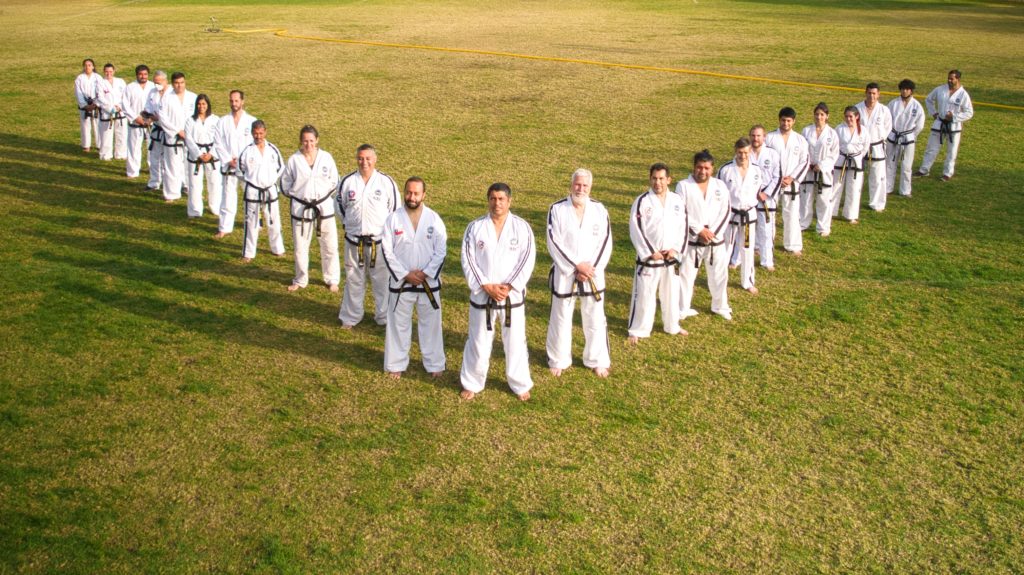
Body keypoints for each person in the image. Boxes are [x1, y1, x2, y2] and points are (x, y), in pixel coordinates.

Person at [460, 183, 536, 401]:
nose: (497, 203)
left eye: (501, 199)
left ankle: (519, 383)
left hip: (511, 296)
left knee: (515, 341)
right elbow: (468, 259)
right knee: (478, 339)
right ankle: (472, 382)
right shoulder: (475, 227)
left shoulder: (522, 228)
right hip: (483, 294)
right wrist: (485, 285)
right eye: (493, 198)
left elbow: (527, 259)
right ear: (488, 200)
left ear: (509, 201)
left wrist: (509, 286)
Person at [545, 168, 612, 378]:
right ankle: (559, 358)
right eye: (577, 184)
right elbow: (553, 241)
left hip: (593, 273)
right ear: (571, 185)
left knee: (595, 317)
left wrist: (590, 269)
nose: (580, 188)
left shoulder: (600, 210)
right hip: (566, 274)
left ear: (590, 187)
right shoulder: (556, 209)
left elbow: (605, 242)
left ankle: (597, 359)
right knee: (561, 317)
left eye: (584, 185)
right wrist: (576, 266)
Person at [381, 177, 447, 379]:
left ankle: (434, 363)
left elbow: (441, 250)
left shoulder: (434, 219)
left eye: (416, 193)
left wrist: (426, 272)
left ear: (424, 195)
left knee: (431, 324)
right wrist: (405, 274)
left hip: (428, 282)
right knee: (398, 324)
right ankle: (395, 363)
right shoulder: (393, 219)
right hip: (402, 282)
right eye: (409, 192)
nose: (412, 197)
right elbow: (386, 250)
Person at [336, 144, 399, 328]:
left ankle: (384, 317)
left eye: (368, 158)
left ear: (375, 159)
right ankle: (351, 316)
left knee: (381, 281)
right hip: (354, 240)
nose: (364, 162)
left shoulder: (386, 182)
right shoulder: (347, 182)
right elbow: (340, 207)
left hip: (378, 242)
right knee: (353, 279)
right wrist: (350, 225)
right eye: (361, 158)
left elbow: (394, 211)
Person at [626, 163, 687, 343]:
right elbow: (636, 229)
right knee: (644, 294)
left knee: (671, 293)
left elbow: (683, 228)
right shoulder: (642, 201)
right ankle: (638, 329)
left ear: (669, 180)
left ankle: (672, 325)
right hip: (650, 259)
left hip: (670, 257)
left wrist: (676, 250)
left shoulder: (677, 201)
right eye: (654, 178)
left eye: (661, 178)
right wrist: (651, 252)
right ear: (650, 179)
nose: (657, 182)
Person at [280, 125, 341, 292]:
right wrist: (298, 195)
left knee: (329, 245)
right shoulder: (294, 160)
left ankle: (332, 278)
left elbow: (335, 181)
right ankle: (300, 279)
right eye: (305, 141)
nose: (308, 144)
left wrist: (323, 195)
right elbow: (285, 185)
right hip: (301, 208)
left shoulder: (326, 158)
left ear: (317, 140)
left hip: (324, 207)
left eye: (312, 141)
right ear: (301, 141)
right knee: (300, 246)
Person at [678, 150, 733, 321]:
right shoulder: (684, 186)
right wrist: (699, 230)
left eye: (707, 168)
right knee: (686, 275)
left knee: (719, 274)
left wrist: (712, 233)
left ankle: (720, 306)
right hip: (693, 239)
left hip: (715, 239)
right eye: (699, 167)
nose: (703, 171)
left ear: (713, 168)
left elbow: (726, 211)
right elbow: (682, 212)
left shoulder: (720, 186)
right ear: (694, 167)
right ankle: (682, 307)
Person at [719, 137, 763, 295]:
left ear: (750, 151)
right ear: (735, 151)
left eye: (745, 152)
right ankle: (719, 279)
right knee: (726, 248)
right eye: (739, 152)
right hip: (730, 215)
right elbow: (719, 194)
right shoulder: (725, 170)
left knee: (747, 248)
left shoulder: (757, 170)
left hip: (748, 216)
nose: (742, 155)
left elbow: (757, 191)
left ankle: (748, 281)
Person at [237, 120, 285, 262]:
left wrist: (272, 181)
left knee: (274, 221)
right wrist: (249, 183)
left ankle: (278, 248)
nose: (258, 136)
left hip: (270, 190)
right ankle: (248, 252)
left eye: (261, 133)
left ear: (265, 132)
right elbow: (240, 171)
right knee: (251, 222)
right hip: (253, 190)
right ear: (252, 133)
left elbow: (281, 167)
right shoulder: (247, 151)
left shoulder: (272, 149)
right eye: (256, 133)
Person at [213, 90, 257, 238]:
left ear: (242, 101)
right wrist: (228, 160)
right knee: (227, 196)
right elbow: (218, 143)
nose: (234, 104)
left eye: (237, 101)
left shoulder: (251, 121)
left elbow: (255, 144)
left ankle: (252, 223)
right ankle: (225, 227)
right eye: (231, 101)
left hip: (247, 166)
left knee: (250, 195)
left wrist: (244, 160)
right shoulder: (222, 121)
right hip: (229, 165)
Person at [766, 107, 809, 257]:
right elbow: (765, 160)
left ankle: (793, 244)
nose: (786, 123)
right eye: (783, 120)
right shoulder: (769, 138)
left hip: (791, 182)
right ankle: (764, 244)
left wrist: (791, 178)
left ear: (794, 121)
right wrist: (775, 177)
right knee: (768, 213)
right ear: (779, 120)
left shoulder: (800, 140)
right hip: (772, 182)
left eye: (789, 120)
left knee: (792, 213)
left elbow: (804, 161)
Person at [917, 70, 974, 181]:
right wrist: (933, 112)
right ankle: (924, 170)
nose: (949, 80)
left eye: (952, 79)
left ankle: (947, 173)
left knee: (951, 151)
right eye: (948, 78)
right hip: (939, 123)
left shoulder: (963, 94)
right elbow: (928, 99)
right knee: (931, 148)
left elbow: (969, 112)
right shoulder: (940, 89)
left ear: (958, 79)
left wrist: (954, 116)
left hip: (954, 127)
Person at [800, 102, 840, 236]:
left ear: (827, 116)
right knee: (806, 197)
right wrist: (808, 163)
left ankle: (823, 227)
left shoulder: (832, 134)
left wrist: (821, 165)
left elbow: (834, 154)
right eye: (817, 114)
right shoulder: (806, 131)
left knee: (823, 199)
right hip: (808, 170)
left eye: (822, 114)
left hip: (824, 172)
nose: (819, 117)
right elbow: (802, 150)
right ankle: (803, 223)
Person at [157, 72, 196, 203]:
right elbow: (163, 118)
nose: (180, 85)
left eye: (182, 82)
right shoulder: (166, 98)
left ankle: (191, 189)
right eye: (177, 83)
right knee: (172, 165)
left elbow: (198, 116)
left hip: (190, 136)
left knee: (190, 164)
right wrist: (177, 131)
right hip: (172, 136)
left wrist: (189, 132)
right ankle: (171, 193)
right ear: (172, 84)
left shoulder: (193, 97)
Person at [856, 82, 894, 212]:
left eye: (874, 93)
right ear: (865, 93)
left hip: (877, 146)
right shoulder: (857, 109)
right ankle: (855, 202)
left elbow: (888, 127)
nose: (871, 96)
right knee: (857, 176)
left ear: (878, 95)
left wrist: (880, 138)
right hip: (860, 147)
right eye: (869, 93)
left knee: (877, 177)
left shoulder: (884, 110)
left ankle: (877, 203)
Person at [886, 79, 926, 197]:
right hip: (893, 136)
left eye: (907, 89)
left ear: (911, 91)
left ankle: (905, 190)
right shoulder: (893, 103)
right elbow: (887, 120)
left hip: (908, 139)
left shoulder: (917, 106)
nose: (904, 91)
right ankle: (888, 188)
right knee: (890, 163)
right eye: (903, 89)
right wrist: (889, 134)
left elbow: (920, 125)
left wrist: (911, 136)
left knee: (906, 166)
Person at [748, 124, 781, 271]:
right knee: (747, 229)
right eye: (753, 136)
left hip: (767, 198)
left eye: (758, 136)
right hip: (749, 197)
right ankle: (744, 258)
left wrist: (766, 193)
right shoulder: (745, 153)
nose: (756, 138)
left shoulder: (772, 154)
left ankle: (767, 260)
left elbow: (778, 177)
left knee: (766, 230)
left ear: (764, 137)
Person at [184, 94, 222, 218]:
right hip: (196, 155)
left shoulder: (216, 119)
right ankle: (195, 210)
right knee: (195, 183)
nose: (201, 106)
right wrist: (199, 154)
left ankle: (215, 207)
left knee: (215, 182)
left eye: (204, 104)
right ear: (196, 106)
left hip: (212, 154)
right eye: (199, 104)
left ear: (208, 105)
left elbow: (220, 138)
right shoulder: (190, 120)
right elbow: (188, 139)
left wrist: (211, 153)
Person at [834, 106, 869, 226]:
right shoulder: (839, 128)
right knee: (836, 186)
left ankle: (851, 215)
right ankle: (831, 211)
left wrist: (857, 157)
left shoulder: (863, 130)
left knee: (854, 188)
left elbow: (865, 146)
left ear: (857, 116)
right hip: (841, 160)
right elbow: (834, 145)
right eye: (846, 116)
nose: (848, 119)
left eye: (851, 116)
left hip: (856, 161)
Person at [122, 64, 155, 180]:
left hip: (151, 123)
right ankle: (132, 171)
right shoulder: (130, 87)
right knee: (134, 148)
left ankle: (153, 169)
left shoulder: (153, 87)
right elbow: (125, 106)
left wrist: (151, 118)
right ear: (136, 75)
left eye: (145, 74)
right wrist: (136, 118)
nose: (143, 76)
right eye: (140, 74)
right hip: (135, 123)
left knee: (152, 148)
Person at [143, 70, 169, 192]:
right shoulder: (152, 93)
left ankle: (174, 184)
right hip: (156, 129)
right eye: (155, 82)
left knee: (170, 160)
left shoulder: (172, 94)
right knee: (154, 157)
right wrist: (147, 117)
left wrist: (160, 117)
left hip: (168, 130)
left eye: (158, 82)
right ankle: (154, 182)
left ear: (165, 81)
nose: (156, 85)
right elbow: (147, 107)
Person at [95, 63, 127, 161]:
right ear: (103, 72)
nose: (108, 73)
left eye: (110, 71)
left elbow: (126, 95)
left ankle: (120, 154)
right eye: (106, 71)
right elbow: (100, 98)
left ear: (114, 71)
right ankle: (105, 155)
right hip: (107, 112)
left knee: (122, 134)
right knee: (106, 135)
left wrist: (120, 106)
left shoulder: (120, 81)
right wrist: (111, 108)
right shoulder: (100, 83)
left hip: (121, 111)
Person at [74, 58, 100, 153]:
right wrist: (85, 105)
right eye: (85, 65)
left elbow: (101, 91)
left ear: (93, 67)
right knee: (85, 125)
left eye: (89, 65)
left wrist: (96, 103)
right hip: (84, 105)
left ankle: (99, 145)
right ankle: (86, 145)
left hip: (96, 104)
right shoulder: (80, 78)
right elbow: (78, 92)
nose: (87, 67)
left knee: (97, 125)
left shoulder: (98, 77)